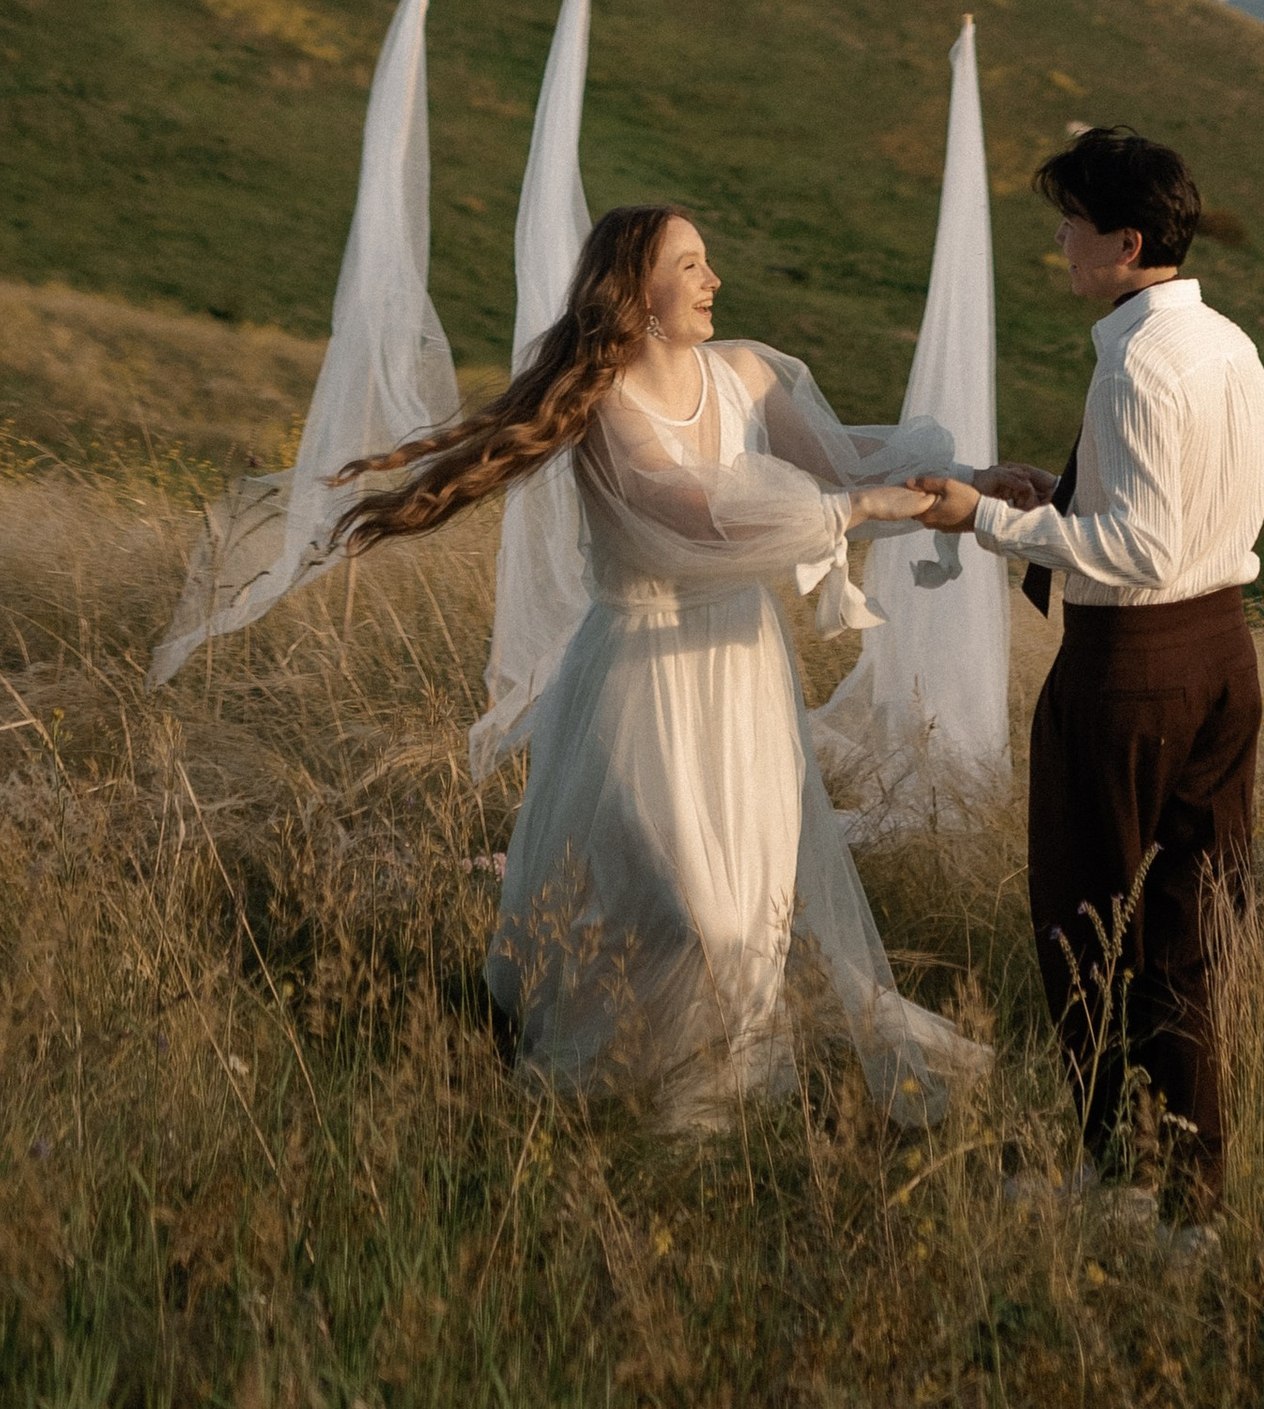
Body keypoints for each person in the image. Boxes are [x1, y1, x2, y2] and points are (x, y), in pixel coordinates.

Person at [330, 203, 990, 1122]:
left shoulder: (748, 374)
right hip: (642, 669)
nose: (713, 280)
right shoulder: (603, 404)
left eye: (708, 263)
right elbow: (687, 505)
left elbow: (838, 466)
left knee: (749, 899)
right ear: (637, 294)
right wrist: (856, 512)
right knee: (673, 906)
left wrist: (970, 489)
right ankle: (597, 1073)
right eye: (691, 266)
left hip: (741, 665)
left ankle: (708, 1095)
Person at [915, 126, 1264, 1226]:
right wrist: (1056, 501)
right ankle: (1188, 1199)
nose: (1059, 243)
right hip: (1224, 655)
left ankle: (1112, 1172)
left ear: (1124, 242)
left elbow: (1140, 552)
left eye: (1070, 224)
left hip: (1131, 669)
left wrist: (987, 516)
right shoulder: (1231, 347)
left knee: (1085, 922)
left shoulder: (1133, 363)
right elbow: (1181, 519)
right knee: (1185, 936)